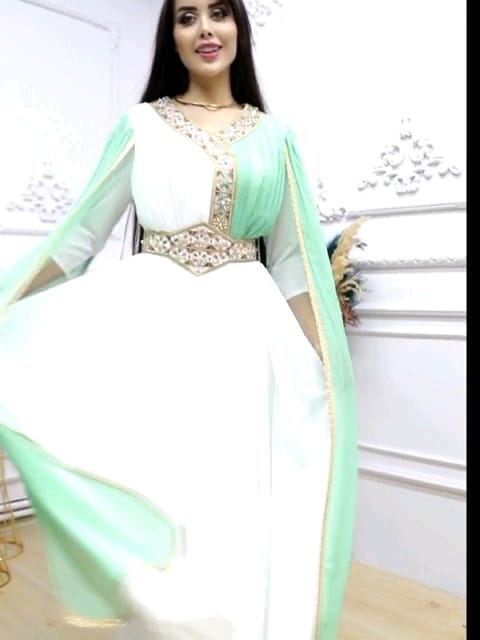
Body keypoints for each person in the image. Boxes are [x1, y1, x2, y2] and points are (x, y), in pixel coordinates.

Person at [0, 0, 358, 638]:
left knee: (236, 499)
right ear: (171, 36)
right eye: (186, 17)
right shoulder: (141, 125)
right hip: (155, 328)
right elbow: (80, 236)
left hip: (249, 336)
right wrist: (9, 298)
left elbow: (292, 263)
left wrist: (326, 362)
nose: (205, 29)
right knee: (169, 487)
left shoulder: (274, 137)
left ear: (239, 27)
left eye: (218, 13)